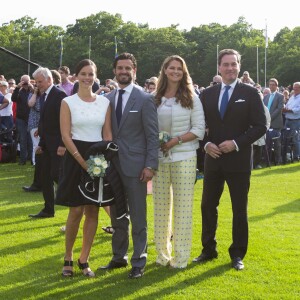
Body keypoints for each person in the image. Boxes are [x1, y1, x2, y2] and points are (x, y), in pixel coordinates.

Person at [193, 49, 267, 270]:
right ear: (219, 67)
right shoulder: (207, 94)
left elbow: (261, 126)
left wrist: (236, 143)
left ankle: (237, 254)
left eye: (234, 64)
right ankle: (208, 249)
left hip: (239, 161)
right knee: (207, 206)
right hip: (213, 160)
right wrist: (206, 144)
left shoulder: (251, 93)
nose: (230, 68)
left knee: (239, 209)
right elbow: (197, 126)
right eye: (226, 64)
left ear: (238, 66)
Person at [99, 52, 159, 279]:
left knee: (138, 216)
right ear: (114, 71)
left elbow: (152, 136)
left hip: (137, 167)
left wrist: (150, 165)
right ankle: (119, 257)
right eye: (120, 68)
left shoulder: (145, 99)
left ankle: (139, 261)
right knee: (117, 215)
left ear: (134, 71)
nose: (123, 72)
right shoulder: (107, 99)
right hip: (112, 167)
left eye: (128, 68)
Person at [55, 59, 113, 277]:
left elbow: (107, 135)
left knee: (92, 210)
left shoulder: (105, 102)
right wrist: (82, 161)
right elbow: (65, 135)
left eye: (91, 74)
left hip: (98, 157)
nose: (88, 78)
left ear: (95, 76)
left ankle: (84, 259)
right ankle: (68, 256)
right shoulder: (67, 102)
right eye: (84, 73)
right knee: (76, 210)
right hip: (74, 156)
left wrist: (103, 160)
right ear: (76, 76)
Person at [152, 55, 205, 268]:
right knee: (160, 207)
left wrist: (176, 140)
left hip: (185, 156)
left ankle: (181, 257)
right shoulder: (155, 97)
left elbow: (199, 129)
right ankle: (162, 255)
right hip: (159, 159)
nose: (175, 72)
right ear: (165, 70)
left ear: (184, 73)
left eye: (179, 69)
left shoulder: (192, 97)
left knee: (183, 208)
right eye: (172, 68)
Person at [28, 68, 67, 218]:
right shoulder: (44, 95)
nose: (38, 85)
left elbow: (64, 122)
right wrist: (41, 138)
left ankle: (76, 202)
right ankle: (48, 209)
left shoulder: (59, 95)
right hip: (46, 144)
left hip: (57, 145)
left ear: (49, 79)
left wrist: (63, 144)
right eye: (36, 82)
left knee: (57, 175)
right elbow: (46, 119)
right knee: (45, 177)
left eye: (40, 81)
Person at [263, 78, 284, 165]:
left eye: (273, 84)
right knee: (267, 143)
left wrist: (269, 117)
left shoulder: (280, 96)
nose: (271, 86)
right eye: (270, 84)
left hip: (276, 123)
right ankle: (267, 161)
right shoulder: (266, 96)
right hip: (267, 124)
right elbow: (263, 108)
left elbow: (279, 109)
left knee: (277, 144)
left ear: (276, 86)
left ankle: (278, 160)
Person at [282, 82, 300, 160]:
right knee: (286, 138)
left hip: (295, 121)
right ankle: (288, 156)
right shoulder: (292, 97)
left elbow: (298, 110)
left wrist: (289, 110)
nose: (295, 89)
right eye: (294, 87)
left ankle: (297, 156)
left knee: (295, 139)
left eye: (296, 87)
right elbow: (287, 105)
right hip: (287, 120)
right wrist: (285, 108)